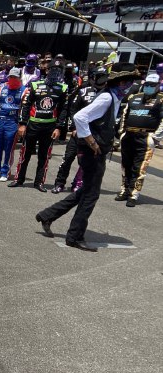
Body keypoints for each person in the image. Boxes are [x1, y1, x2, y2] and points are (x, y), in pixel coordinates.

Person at [36, 63, 140, 252]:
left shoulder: (114, 98)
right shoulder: (107, 98)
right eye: (130, 82)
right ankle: (74, 236)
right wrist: (92, 142)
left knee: (85, 191)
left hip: (95, 152)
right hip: (92, 152)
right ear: (121, 82)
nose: (132, 85)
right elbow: (80, 117)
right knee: (91, 195)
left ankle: (47, 215)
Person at [10, 59, 68, 192]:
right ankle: (19, 179)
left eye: (58, 71)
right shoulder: (35, 85)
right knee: (25, 154)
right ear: (47, 70)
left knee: (44, 156)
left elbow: (64, 110)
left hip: (50, 127)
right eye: (53, 70)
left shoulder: (63, 88)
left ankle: (39, 182)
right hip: (33, 125)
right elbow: (26, 105)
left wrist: (59, 127)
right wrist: (23, 124)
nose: (55, 73)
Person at [52, 67, 107, 193]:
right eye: (98, 76)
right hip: (78, 133)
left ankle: (77, 184)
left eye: (103, 76)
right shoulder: (83, 92)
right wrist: (74, 128)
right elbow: (72, 110)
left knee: (84, 162)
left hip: (94, 135)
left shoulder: (107, 95)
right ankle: (59, 183)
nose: (100, 79)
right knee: (67, 159)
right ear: (92, 77)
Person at [114, 73, 163, 207]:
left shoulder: (161, 99)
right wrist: (121, 132)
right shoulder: (134, 97)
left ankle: (133, 194)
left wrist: (155, 137)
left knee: (139, 168)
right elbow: (125, 114)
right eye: (147, 84)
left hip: (146, 138)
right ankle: (124, 190)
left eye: (152, 85)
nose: (149, 87)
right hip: (129, 135)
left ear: (158, 85)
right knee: (126, 165)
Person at [0, 68, 23, 181]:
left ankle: (5, 172)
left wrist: (20, 124)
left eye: (15, 77)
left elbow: (24, 109)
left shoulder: (24, 90)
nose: (12, 79)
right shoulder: (1, 89)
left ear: (19, 78)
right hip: (0, 120)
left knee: (8, 148)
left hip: (12, 122)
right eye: (11, 77)